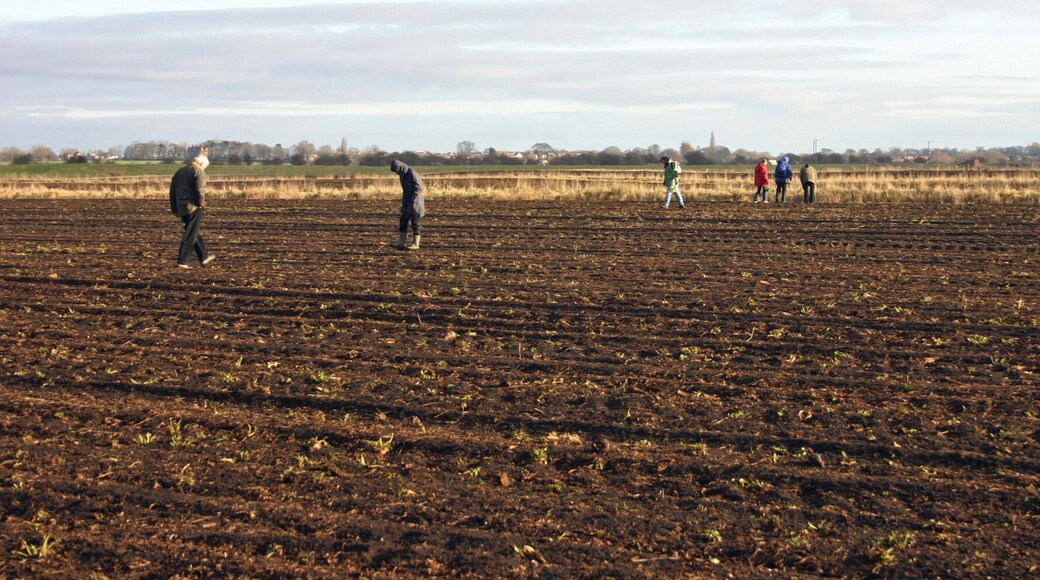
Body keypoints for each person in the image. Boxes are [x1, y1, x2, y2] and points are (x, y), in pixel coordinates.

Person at [169, 148, 214, 269]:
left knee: (194, 232)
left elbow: (172, 191)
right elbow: (200, 190)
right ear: (201, 163)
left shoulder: (180, 171)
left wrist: (175, 209)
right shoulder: (199, 172)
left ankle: (204, 257)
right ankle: (183, 261)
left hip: (181, 207)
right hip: (193, 207)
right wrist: (201, 204)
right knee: (190, 233)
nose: (204, 169)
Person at [390, 159, 426, 250]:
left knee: (415, 222)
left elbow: (419, 188)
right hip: (407, 201)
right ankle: (401, 242)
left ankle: (416, 244)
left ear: (400, 168)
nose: (396, 173)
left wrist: (413, 201)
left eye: (396, 171)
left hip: (416, 202)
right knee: (403, 220)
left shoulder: (411, 173)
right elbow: (405, 190)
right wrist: (405, 202)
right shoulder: (402, 175)